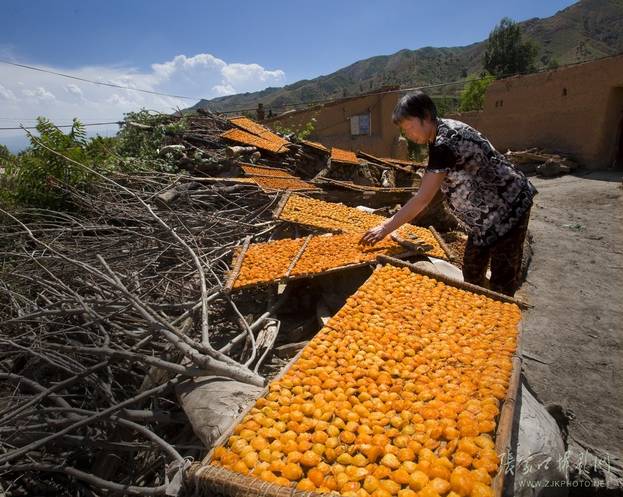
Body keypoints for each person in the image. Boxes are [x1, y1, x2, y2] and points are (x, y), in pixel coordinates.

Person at [360, 91, 537, 296]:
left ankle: (500, 319)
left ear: (426, 117)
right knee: (472, 270)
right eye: (403, 129)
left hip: (509, 206)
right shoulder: (439, 133)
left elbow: (422, 199)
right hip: (484, 217)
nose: (407, 134)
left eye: (408, 127)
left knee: (501, 280)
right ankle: (475, 307)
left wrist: (385, 227)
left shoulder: (444, 142)